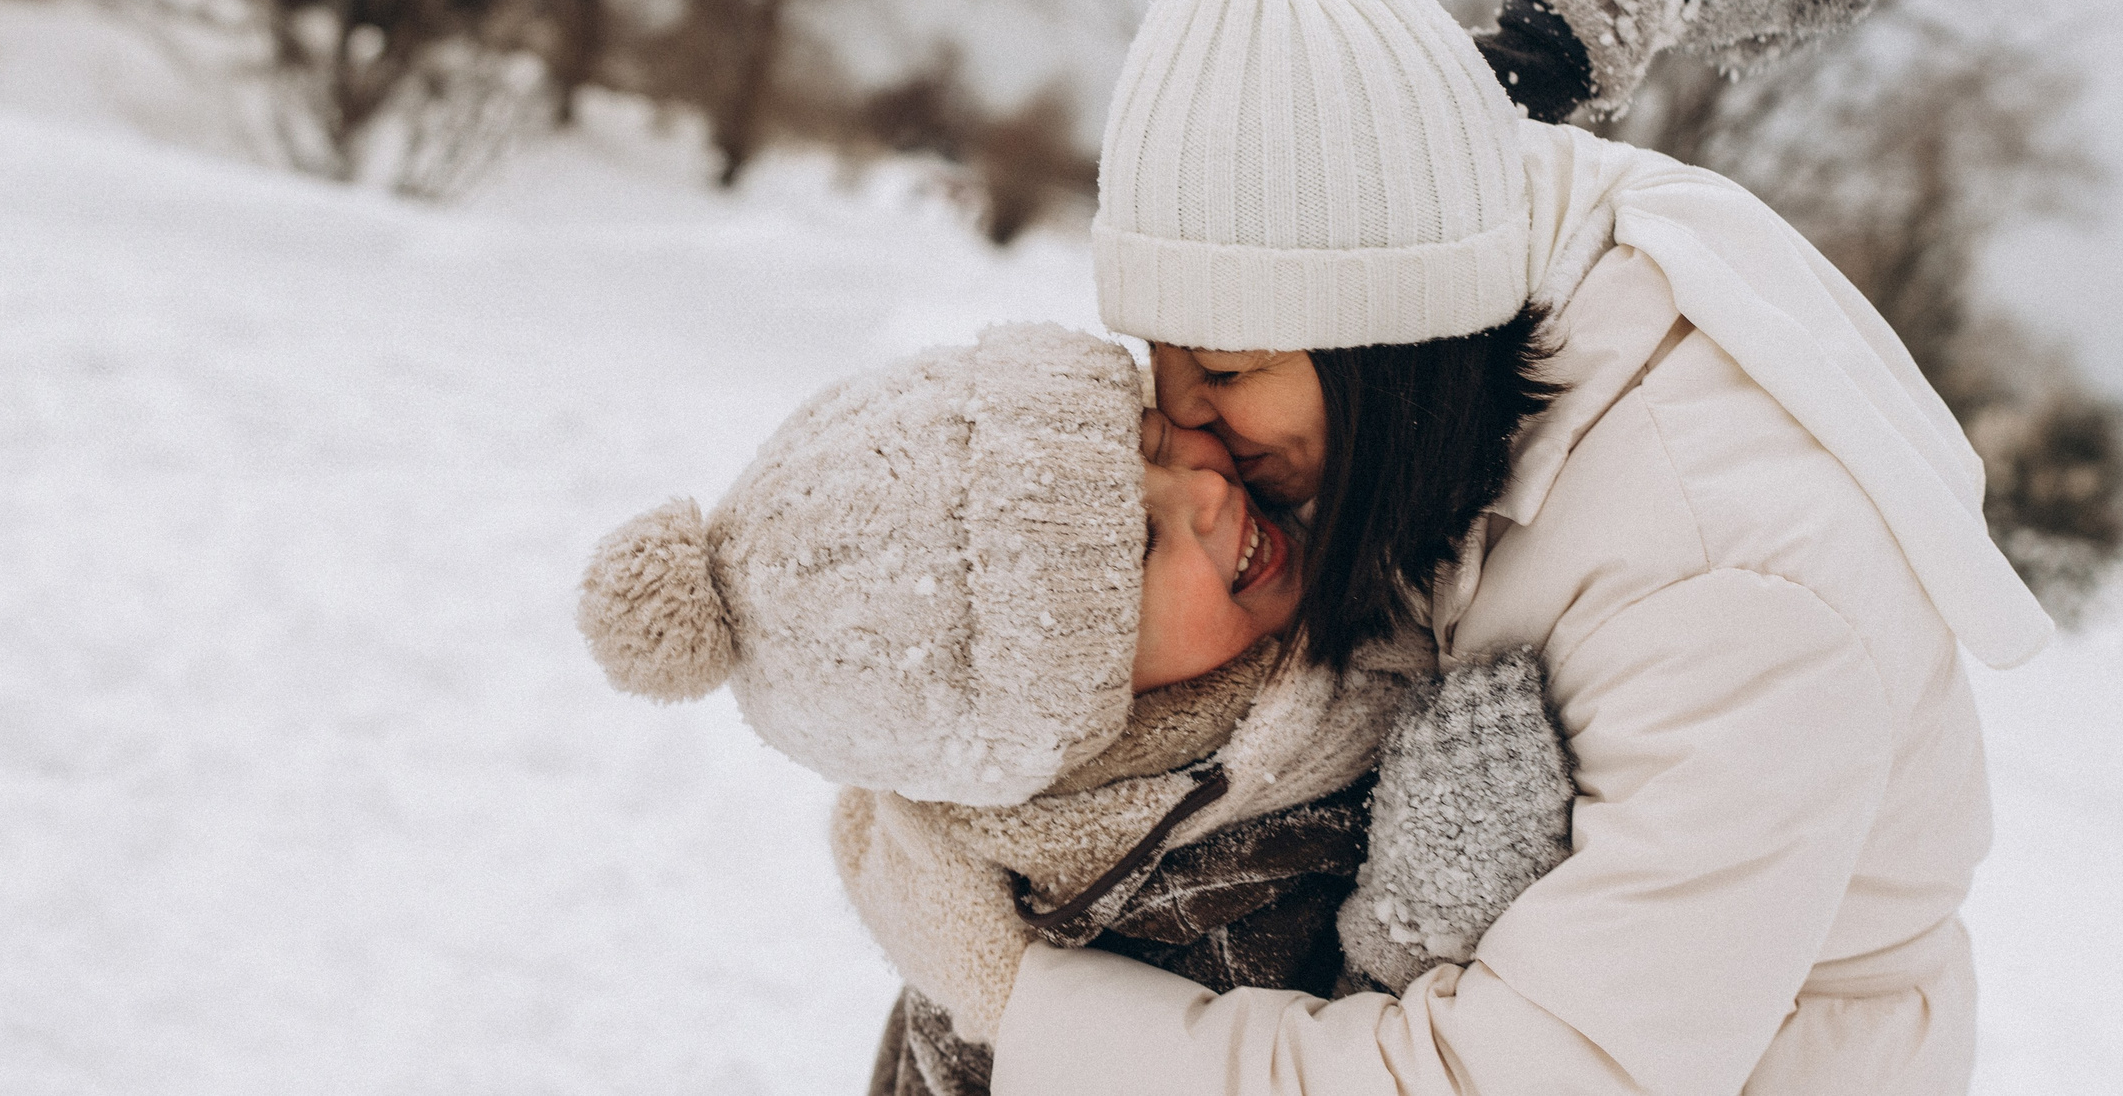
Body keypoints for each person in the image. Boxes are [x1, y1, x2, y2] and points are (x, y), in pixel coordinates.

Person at [988, 0, 2052, 1096]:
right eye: (1161, 349)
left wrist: (1012, 1005)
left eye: (1228, 369)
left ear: (1392, 346)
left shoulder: (1728, 582)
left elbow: (1509, 1079)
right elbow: (1495, 119)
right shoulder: (1457, 260)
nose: (1182, 422)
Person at [575, 322, 1578, 1096]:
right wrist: (1414, 927)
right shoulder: (1138, 905)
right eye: (1143, 544)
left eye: (1151, 437)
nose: (1204, 487)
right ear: (1063, 694)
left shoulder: (1257, 628)